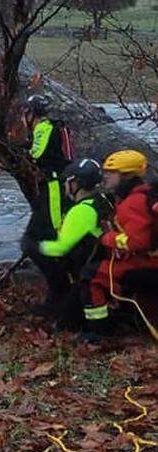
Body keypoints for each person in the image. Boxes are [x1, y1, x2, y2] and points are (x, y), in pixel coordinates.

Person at [82, 150, 158, 337]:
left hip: (147, 263)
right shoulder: (144, 195)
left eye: (111, 172)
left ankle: (99, 331)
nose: (105, 175)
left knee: (91, 275)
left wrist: (108, 238)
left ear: (126, 175)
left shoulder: (134, 202)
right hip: (148, 261)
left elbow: (138, 241)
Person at [31, 159, 113, 329]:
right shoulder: (103, 200)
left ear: (77, 183)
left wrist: (36, 247)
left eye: (68, 182)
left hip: (90, 272)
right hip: (104, 263)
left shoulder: (80, 211)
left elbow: (61, 248)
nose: (66, 186)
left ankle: (97, 332)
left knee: (64, 324)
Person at [21, 95, 74, 311]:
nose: (23, 119)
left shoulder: (43, 127)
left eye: (25, 114)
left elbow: (37, 154)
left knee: (53, 228)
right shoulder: (57, 127)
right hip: (55, 183)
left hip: (53, 184)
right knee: (48, 228)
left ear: (32, 113)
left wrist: (22, 150)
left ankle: (60, 290)